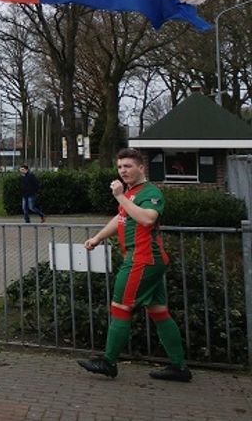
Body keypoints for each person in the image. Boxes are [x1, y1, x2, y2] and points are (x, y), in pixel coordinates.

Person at [78, 148, 191, 382]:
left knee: (120, 307)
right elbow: (121, 218)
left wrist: (119, 196)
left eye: (128, 166)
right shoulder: (132, 193)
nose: (123, 171)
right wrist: (98, 237)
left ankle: (108, 363)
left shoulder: (150, 192)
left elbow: (148, 218)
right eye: (120, 167)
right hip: (147, 259)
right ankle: (179, 367)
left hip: (142, 259)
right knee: (158, 311)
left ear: (142, 167)